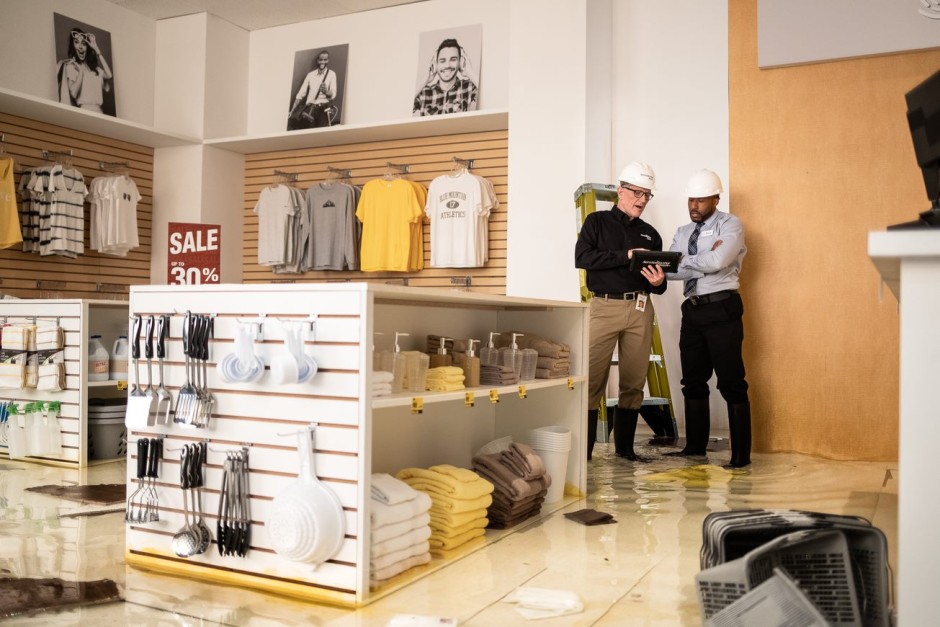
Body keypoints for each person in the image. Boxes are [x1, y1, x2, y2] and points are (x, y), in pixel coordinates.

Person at [575, 162, 667, 462]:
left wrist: (658, 282)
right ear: (621, 191)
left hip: (640, 309)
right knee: (591, 380)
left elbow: (658, 285)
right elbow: (583, 257)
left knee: (634, 380)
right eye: (637, 192)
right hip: (603, 307)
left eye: (647, 195)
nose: (642, 200)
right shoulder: (596, 222)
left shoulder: (650, 234)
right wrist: (625, 255)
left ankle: (625, 451)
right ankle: (583, 455)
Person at [665, 169, 751, 468]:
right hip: (693, 309)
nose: (694, 206)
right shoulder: (683, 232)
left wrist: (684, 261)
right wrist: (699, 263)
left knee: (731, 382)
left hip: (722, 308)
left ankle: (740, 456)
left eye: (701, 200)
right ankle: (694, 449)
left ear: (716, 198)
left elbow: (718, 261)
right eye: (691, 199)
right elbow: (669, 270)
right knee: (692, 381)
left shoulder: (731, 224)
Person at [413, 38, 478, 116]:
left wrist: (469, 72)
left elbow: (488, 98)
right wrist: (425, 80)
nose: (447, 65)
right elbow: (403, 109)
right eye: (442, 61)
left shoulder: (469, 87)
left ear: (460, 62)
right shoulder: (423, 93)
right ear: (435, 64)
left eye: (453, 59)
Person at [56, 28, 112, 113]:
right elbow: (73, 93)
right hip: (84, 112)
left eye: (83, 43)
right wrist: (81, 73)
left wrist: (97, 50)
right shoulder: (72, 66)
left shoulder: (94, 68)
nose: (80, 47)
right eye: (76, 42)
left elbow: (109, 75)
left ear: (88, 46)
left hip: (100, 113)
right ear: (73, 46)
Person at [290, 50, 337, 129]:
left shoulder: (332, 74)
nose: (322, 62)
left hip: (323, 109)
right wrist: (291, 111)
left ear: (328, 60)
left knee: (321, 135)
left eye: (325, 60)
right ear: (317, 60)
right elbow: (300, 94)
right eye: (320, 60)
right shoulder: (310, 75)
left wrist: (326, 92)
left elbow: (333, 93)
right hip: (309, 110)